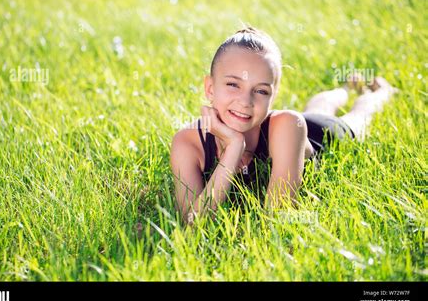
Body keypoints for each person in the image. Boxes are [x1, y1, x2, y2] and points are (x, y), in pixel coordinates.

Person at [170, 25, 398, 225]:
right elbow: (193, 223)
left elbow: (278, 213)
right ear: (210, 88)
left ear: (273, 97)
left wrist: (235, 144)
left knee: (356, 118)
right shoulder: (187, 142)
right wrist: (233, 148)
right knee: (318, 108)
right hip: (304, 121)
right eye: (233, 84)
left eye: (260, 90)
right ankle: (347, 87)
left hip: (319, 133)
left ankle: (381, 92)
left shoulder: (288, 123)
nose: (245, 101)